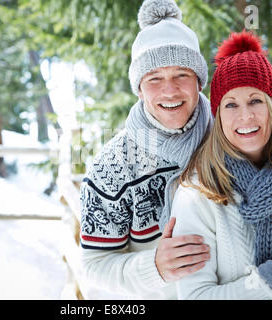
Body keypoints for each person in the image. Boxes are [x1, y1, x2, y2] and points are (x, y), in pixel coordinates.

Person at [171, 31, 272, 300]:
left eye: (256, 100)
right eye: (230, 105)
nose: (245, 116)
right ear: (219, 117)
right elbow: (196, 295)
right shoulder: (198, 194)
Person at [79, 0, 213, 299]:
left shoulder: (229, 139)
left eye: (181, 74)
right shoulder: (113, 167)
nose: (170, 90)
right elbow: (94, 265)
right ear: (139, 88)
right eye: (154, 79)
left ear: (199, 82)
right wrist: (154, 267)